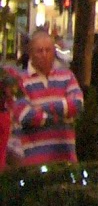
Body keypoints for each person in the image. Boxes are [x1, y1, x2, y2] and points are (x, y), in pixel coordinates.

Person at [10, 28, 85, 165]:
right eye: (39, 51)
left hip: (66, 159)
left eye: (48, 50)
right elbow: (27, 116)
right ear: (31, 53)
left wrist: (41, 108)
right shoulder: (19, 81)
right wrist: (62, 113)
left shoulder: (67, 76)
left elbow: (77, 104)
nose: (44, 54)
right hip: (33, 162)